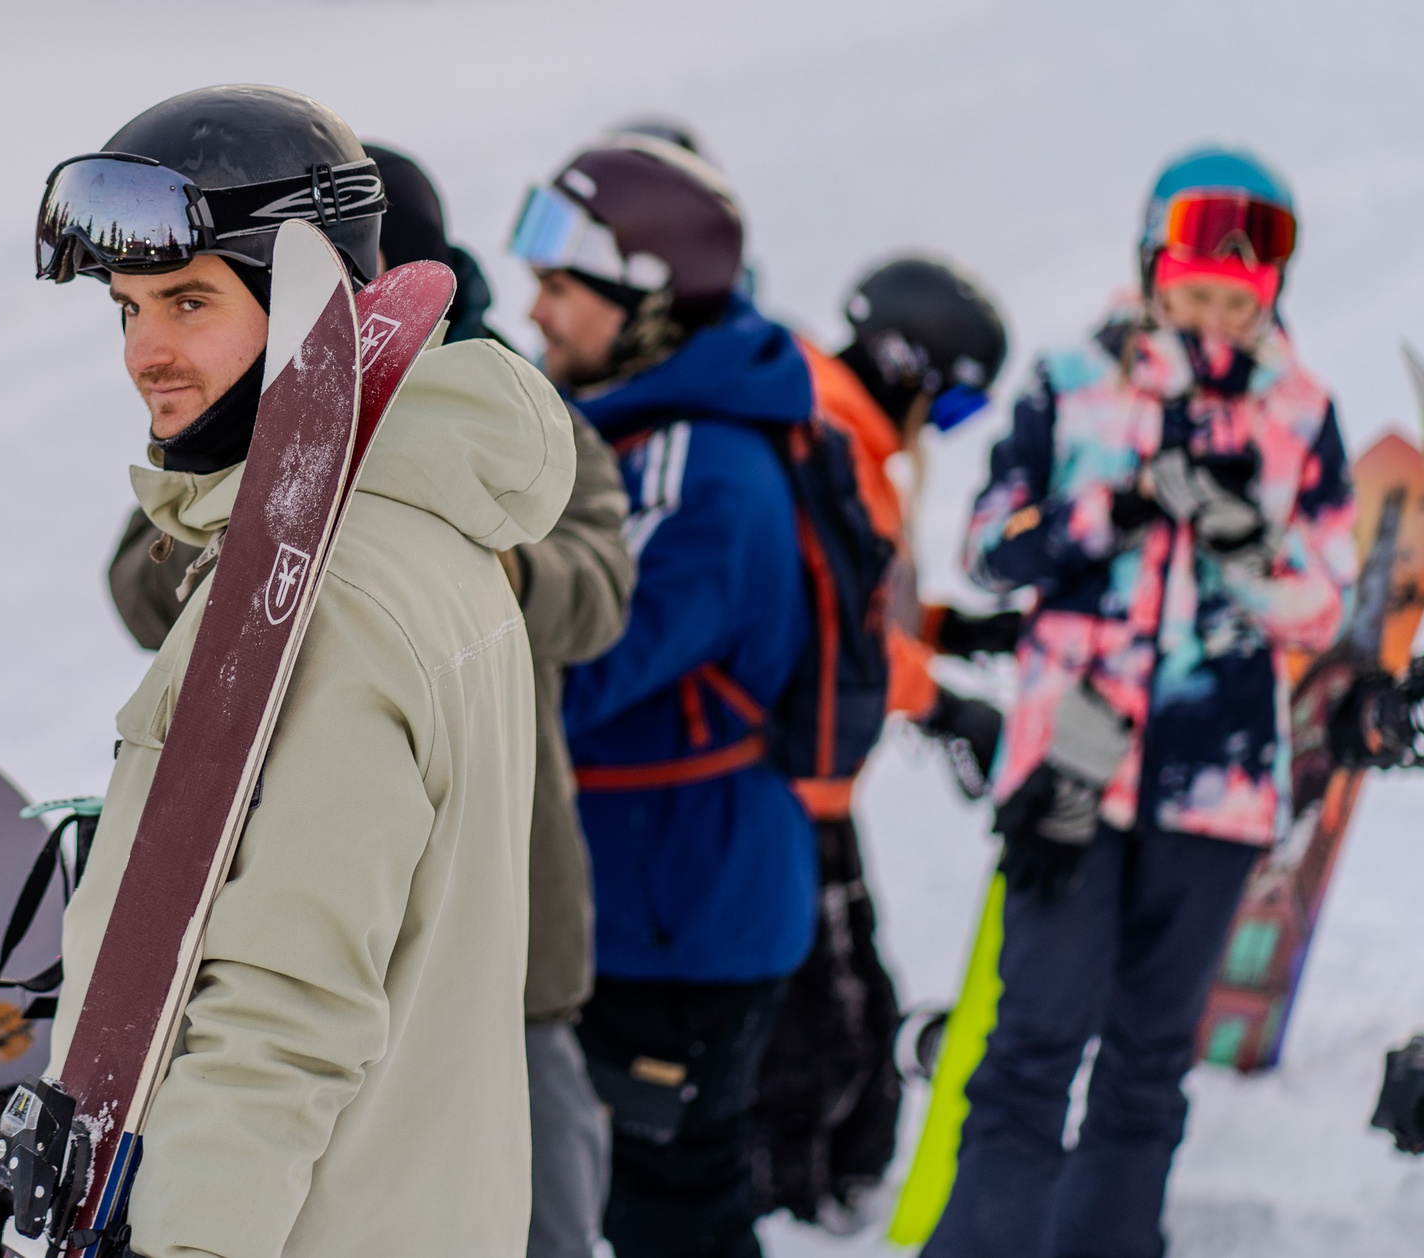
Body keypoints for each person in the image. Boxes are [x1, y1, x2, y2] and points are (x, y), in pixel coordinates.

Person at [38, 85, 581, 1257]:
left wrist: (178, 1244)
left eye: (188, 301)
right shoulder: (427, 523)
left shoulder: (318, 596)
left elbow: (284, 1011)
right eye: (127, 308)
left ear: (308, 304)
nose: (145, 353)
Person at [924, 147, 1356, 1258]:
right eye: (1193, 294)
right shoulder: (1075, 383)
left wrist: (1240, 539)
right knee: (1033, 1040)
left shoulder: (1298, 414)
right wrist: (1104, 513)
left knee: (1149, 1059)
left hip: (1213, 777)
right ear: (1151, 271)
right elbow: (988, 549)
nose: (1212, 320)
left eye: (1236, 300)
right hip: (1073, 756)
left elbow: (1320, 603)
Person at [506, 135, 817, 1258]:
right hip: (644, 895)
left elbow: (581, 670)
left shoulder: (698, 471)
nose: (532, 310)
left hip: (683, 913)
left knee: (671, 1210)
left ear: (643, 298)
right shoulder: (627, 432)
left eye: (557, 285)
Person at [747, 254, 1018, 1230]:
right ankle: (786, 1198)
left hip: (811, 785)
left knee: (846, 1001)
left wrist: (955, 630)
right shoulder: (824, 444)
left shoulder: (839, 438)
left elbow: (877, 610)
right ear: (911, 368)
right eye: (944, 409)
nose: (932, 434)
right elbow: (839, 630)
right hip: (783, 786)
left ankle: (820, 1187)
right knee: (824, 1021)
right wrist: (944, 703)